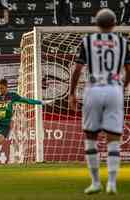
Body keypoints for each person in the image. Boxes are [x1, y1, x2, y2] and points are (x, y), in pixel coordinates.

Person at [69, 8, 130, 195]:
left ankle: (95, 182)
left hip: (94, 88)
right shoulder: (122, 42)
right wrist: (121, 87)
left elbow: (78, 69)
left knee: (91, 137)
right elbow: (129, 70)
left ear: (96, 23)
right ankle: (111, 182)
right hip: (113, 88)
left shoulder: (87, 41)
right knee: (113, 137)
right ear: (114, 24)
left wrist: (71, 93)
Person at [0, 79, 51, 165]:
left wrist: (41, 102)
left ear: (6, 87)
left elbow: (27, 100)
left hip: (4, 125)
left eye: (2, 88)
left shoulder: (12, 96)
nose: (0, 90)